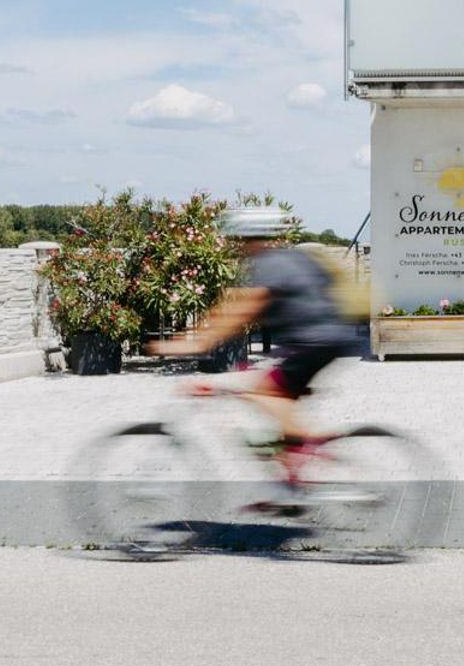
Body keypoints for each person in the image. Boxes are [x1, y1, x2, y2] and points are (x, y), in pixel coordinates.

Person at [145, 205, 358, 504]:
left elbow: (239, 312)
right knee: (279, 399)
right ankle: (289, 485)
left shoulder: (268, 266)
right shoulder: (293, 258)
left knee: (264, 394)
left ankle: (307, 446)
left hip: (313, 342)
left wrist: (193, 344)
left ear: (244, 238)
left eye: (236, 240)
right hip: (330, 337)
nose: (236, 246)